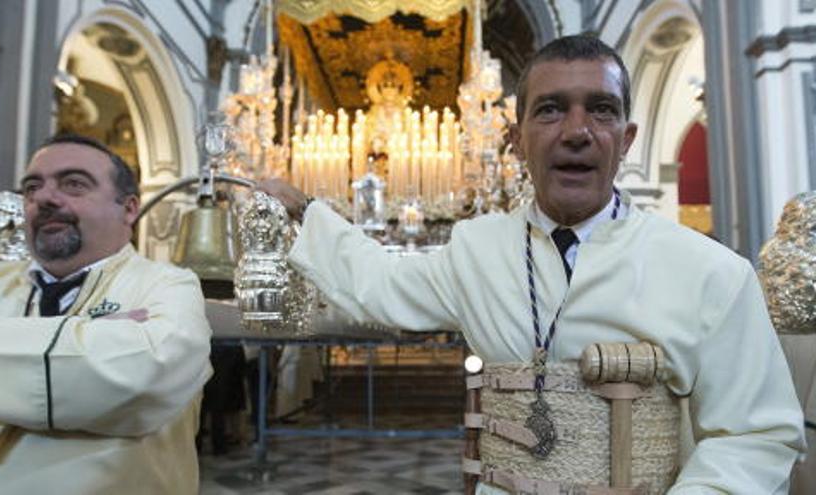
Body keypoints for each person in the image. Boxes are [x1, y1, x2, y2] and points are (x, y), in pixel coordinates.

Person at [259, 35, 805, 493]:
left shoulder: (711, 273)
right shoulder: (477, 249)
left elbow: (755, 436)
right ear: (517, 140)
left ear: (626, 139)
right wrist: (305, 212)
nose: (576, 130)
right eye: (550, 109)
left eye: (601, 109)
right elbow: (378, 283)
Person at [0, 134, 212, 493]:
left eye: (74, 184)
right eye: (32, 188)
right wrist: (83, 350)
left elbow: (142, 377)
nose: (45, 199)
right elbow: (112, 384)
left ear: (129, 208)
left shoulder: (167, 286)